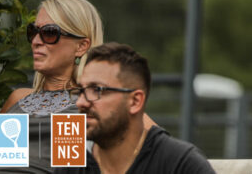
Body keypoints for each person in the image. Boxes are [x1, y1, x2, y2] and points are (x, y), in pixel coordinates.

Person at [0, 0, 104, 174]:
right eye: (33, 32)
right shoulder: (21, 98)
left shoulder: (91, 102)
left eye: (49, 33)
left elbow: (150, 142)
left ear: (81, 46)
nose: (35, 42)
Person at [75, 42, 213, 173]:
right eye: (81, 91)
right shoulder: (73, 166)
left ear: (135, 101)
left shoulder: (180, 164)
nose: (81, 102)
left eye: (97, 89)